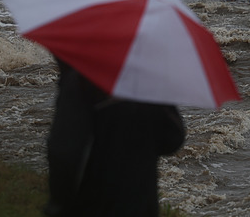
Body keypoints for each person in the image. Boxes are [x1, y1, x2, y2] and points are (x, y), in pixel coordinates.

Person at [44, 58, 186, 217]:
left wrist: (59, 206)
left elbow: (63, 150)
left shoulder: (80, 79)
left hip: (92, 203)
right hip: (141, 203)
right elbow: (173, 139)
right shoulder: (148, 79)